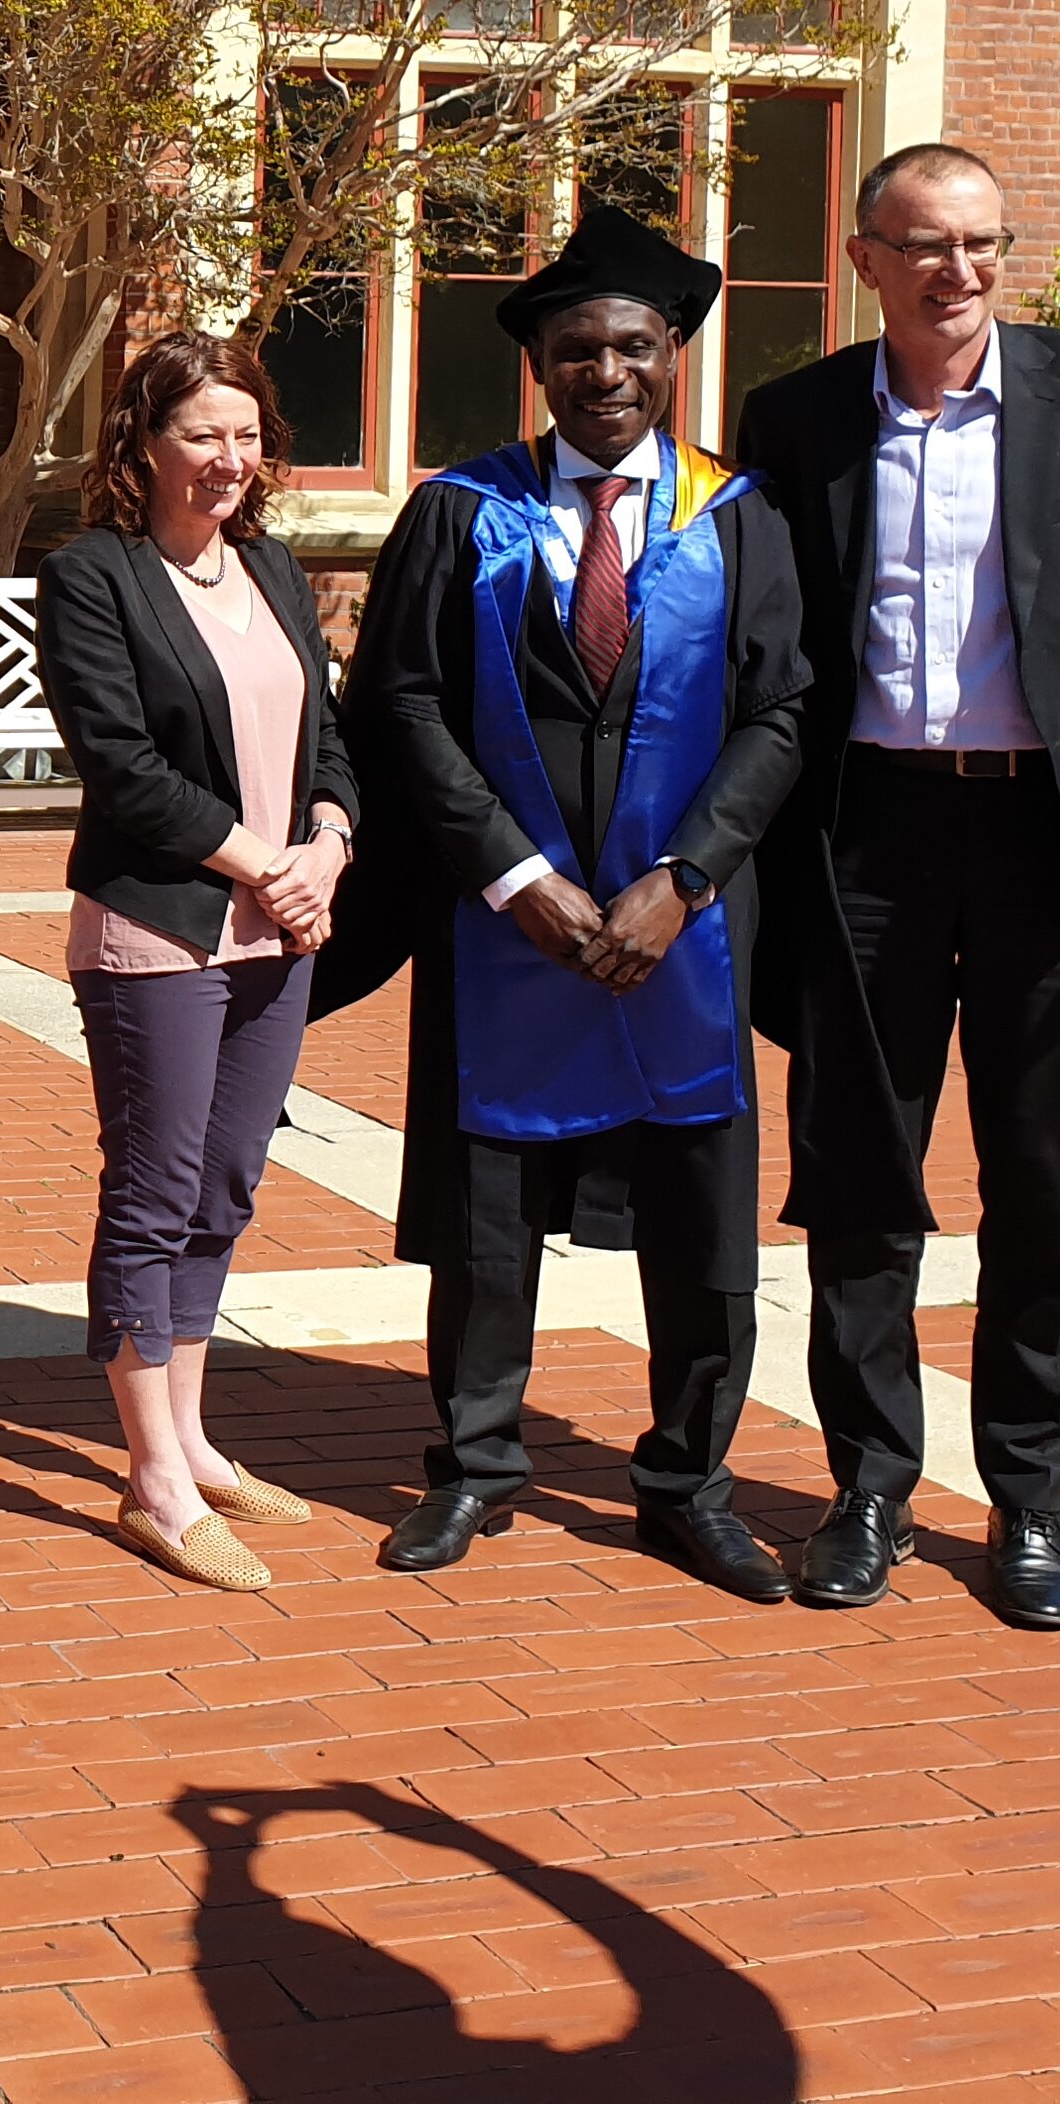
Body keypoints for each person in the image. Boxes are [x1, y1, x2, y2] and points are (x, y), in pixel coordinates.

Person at [733, 142, 1060, 1630]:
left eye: (984, 244)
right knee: (862, 1190)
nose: (959, 272)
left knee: (1042, 1195)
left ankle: (1028, 1503)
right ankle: (868, 1487)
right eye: (927, 245)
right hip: (862, 842)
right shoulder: (797, 419)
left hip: (1047, 851)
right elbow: (767, 651)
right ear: (867, 256)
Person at [328, 205, 809, 1600]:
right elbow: (401, 703)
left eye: (637, 347)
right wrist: (513, 873)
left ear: (675, 355)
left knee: (705, 1234)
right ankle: (475, 1466)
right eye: (581, 349)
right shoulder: (460, 513)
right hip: (504, 933)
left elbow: (781, 710)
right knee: (488, 1226)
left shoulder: (740, 515)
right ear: (540, 364)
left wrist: (687, 875)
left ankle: (688, 1482)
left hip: (687, 937)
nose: (611, 372)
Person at [31, 331, 359, 1594]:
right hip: (159, 929)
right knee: (154, 1193)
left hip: (282, 925)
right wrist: (259, 862)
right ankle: (152, 1482)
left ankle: (197, 1443)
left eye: (245, 434)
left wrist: (325, 844)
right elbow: (120, 767)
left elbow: (329, 737)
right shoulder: (91, 576)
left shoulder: (274, 568)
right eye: (198, 436)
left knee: (224, 1188)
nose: (226, 460)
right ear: (144, 445)